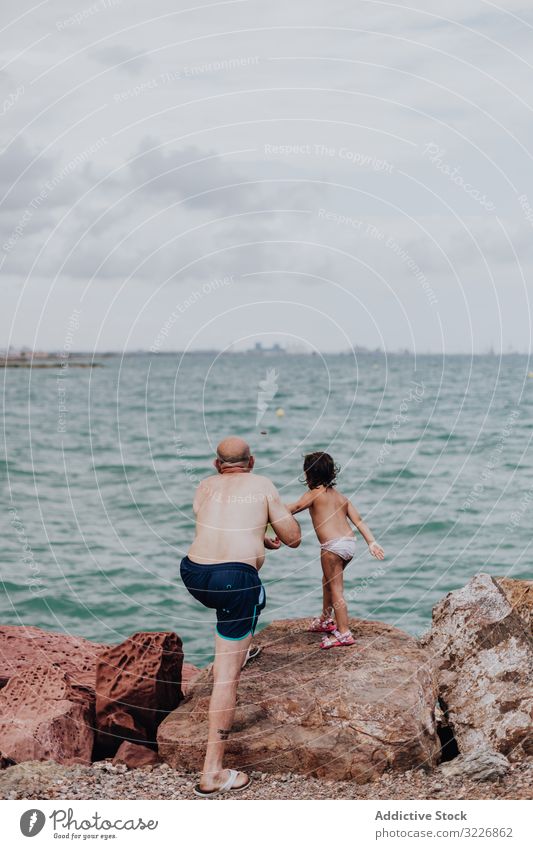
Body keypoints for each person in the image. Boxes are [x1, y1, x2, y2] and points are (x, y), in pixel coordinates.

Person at [180, 436, 301, 796]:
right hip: (235, 581)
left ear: (217, 464)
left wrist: (257, 534)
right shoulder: (262, 484)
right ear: (252, 461)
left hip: (194, 573)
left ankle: (236, 644)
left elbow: (219, 525)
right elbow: (293, 537)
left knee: (233, 604)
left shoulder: (204, 486)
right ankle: (213, 773)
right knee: (226, 676)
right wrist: (270, 526)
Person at [287, 451, 384, 649]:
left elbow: (294, 507)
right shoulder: (341, 498)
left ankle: (344, 632)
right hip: (349, 544)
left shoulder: (314, 494)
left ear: (308, 474)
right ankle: (325, 619)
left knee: (336, 589)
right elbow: (358, 521)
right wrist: (372, 542)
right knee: (328, 582)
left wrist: (268, 510)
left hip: (332, 547)